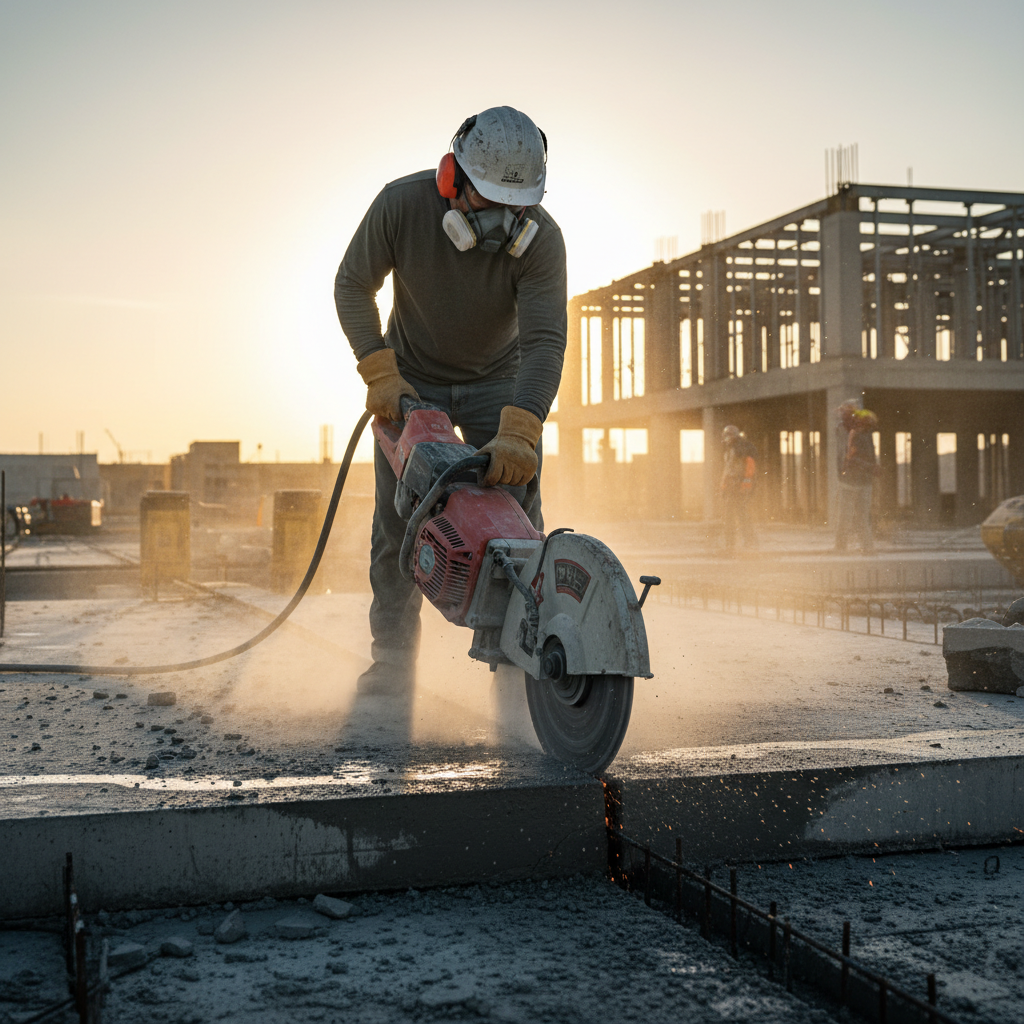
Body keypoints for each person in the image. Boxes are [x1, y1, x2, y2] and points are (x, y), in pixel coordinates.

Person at [334, 106, 567, 695]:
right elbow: (352, 285)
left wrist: (522, 428)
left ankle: (518, 658)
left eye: (517, 209)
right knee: (397, 521)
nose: (504, 223)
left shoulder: (542, 242)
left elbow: (544, 340)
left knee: (517, 517)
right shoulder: (402, 207)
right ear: (451, 181)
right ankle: (391, 660)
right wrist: (378, 368)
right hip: (412, 377)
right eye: (489, 204)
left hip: (500, 380)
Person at [834, 401, 879, 553]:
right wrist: (872, 468)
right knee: (859, 518)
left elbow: (848, 457)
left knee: (848, 517)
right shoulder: (857, 433)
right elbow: (851, 457)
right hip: (857, 480)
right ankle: (866, 549)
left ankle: (843, 549)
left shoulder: (848, 432)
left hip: (854, 480)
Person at [720, 424, 758, 552]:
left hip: (739, 486)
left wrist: (746, 485)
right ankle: (730, 545)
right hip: (732, 486)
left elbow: (749, 467)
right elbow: (728, 469)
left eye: (728, 436)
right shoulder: (730, 449)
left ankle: (749, 543)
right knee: (729, 516)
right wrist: (724, 486)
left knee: (743, 515)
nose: (726, 439)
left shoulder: (742, 447)